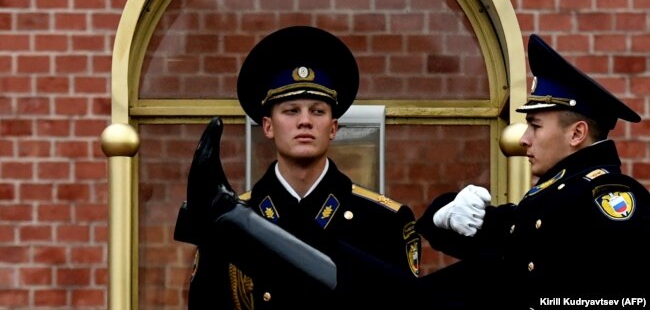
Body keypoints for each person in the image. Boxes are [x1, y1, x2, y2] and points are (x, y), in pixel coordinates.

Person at [174, 25, 420, 310]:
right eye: (291, 111)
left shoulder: (383, 223)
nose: (305, 121)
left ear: (333, 127)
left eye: (317, 111)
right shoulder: (225, 222)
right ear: (268, 126)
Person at [415, 34, 650, 309]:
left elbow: (622, 299)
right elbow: (503, 238)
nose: (524, 139)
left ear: (577, 134)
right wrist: (446, 212)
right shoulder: (554, 198)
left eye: (535, 126)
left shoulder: (605, 196)